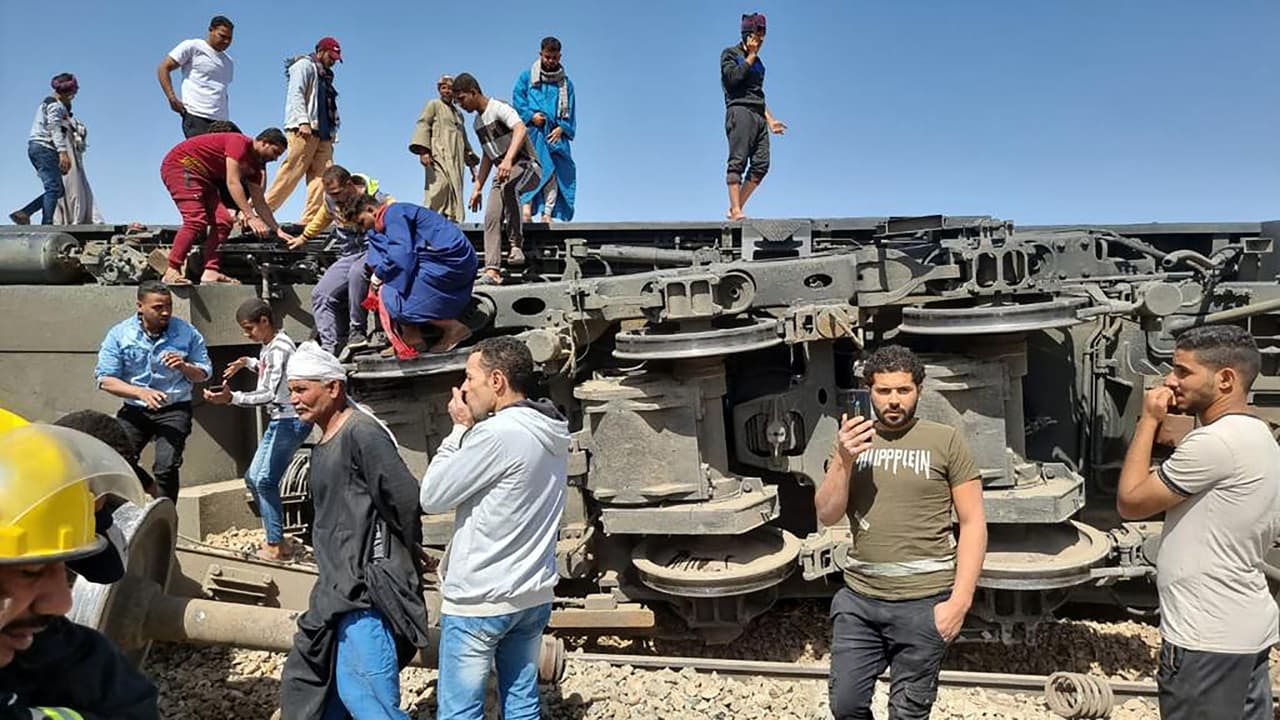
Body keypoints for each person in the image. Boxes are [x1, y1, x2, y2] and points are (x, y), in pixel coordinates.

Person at [814, 345, 987, 720]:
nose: (894, 401)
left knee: (907, 714)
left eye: (903, 391)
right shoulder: (851, 441)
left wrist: (959, 603)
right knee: (845, 706)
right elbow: (827, 514)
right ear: (869, 392)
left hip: (924, 603)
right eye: (884, 391)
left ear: (919, 391)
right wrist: (844, 460)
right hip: (860, 601)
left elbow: (973, 522)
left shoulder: (945, 440)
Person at [1117, 325, 1280, 720]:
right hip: (1240, 630)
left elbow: (1131, 501)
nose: (1170, 381)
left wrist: (1148, 421)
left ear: (1225, 379)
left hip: (1206, 639)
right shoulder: (1257, 435)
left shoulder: (1215, 443)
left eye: (1183, 371)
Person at [420, 336, 569, 720]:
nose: (465, 387)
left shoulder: (496, 434)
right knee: (521, 704)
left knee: (460, 712)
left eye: (470, 377)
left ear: (498, 381)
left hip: (479, 600)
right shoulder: (552, 430)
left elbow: (432, 496)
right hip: (532, 594)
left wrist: (457, 431)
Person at [279, 342, 428, 720]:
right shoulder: (323, 440)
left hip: (364, 596)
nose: (294, 399)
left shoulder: (360, 432)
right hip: (335, 591)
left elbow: (404, 497)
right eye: (291, 390)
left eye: (302, 389)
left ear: (333, 388)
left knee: (367, 701)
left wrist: (404, 549)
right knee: (324, 701)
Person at [0, 419, 158, 718]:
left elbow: (109, 570)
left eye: (60, 565)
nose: (63, 602)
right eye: (30, 571)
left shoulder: (76, 659)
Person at [204, 298, 312, 562]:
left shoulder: (278, 349)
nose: (246, 333)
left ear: (265, 321)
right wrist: (249, 363)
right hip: (280, 420)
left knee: (265, 480)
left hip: (289, 420)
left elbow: (267, 393)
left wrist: (232, 398)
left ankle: (275, 545)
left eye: (249, 327)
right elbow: (272, 370)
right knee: (254, 478)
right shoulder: (271, 346)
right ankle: (276, 536)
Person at [94, 281, 212, 503]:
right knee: (115, 457)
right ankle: (150, 488)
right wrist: (139, 392)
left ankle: (166, 521)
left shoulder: (186, 332)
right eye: (158, 307)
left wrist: (184, 367)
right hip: (136, 409)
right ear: (140, 306)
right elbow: (105, 379)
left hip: (174, 408)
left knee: (166, 466)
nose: (165, 312)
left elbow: (204, 373)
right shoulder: (120, 334)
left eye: (168, 306)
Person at [344, 195, 477, 354]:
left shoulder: (393, 213)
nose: (363, 229)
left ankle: (453, 328)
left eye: (361, 222)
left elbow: (402, 255)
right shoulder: (393, 217)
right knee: (395, 281)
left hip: (447, 263)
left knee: (391, 295)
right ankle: (411, 338)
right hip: (452, 262)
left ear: (371, 210)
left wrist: (379, 275)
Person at [283, 165, 391, 355]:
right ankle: (328, 349)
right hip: (348, 252)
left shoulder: (377, 197)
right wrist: (304, 237)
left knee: (357, 273)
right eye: (330, 194)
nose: (335, 198)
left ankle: (357, 330)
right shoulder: (330, 200)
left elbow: (395, 215)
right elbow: (322, 218)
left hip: (372, 248)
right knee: (321, 294)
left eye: (337, 192)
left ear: (349, 184)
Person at [159, 127, 288, 285]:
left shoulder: (255, 167)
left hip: (204, 177)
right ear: (264, 142)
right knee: (195, 220)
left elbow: (260, 202)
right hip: (183, 165)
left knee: (223, 221)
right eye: (275, 152)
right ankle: (172, 269)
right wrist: (250, 217)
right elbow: (232, 181)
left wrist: (277, 229)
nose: (275, 159)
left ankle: (210, 271)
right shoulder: (239, 143)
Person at [452, 73, 541, 286]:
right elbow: (487, 156)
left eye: (462, 98)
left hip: (527, 165)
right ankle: (493, 270)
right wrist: (477, 187)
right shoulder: (477, 123)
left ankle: (516, 245)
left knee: (510, 187)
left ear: (473, 92)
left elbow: (521, 128)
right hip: (502, 171)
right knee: (491, 214)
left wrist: (509, 159)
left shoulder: (498, 107)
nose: (460, 104)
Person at [265, 37, 343, 224]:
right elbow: (296, 93)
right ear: (320, 51)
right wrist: (302, 121)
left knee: (324, 176)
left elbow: (327, 104)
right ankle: (259, 211)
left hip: (323, 132)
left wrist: (332, 132)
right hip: (305, 128)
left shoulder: (325, 75)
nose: (333, 61)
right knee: (292, 172)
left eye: (335, 58)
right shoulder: (304, 66)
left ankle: (311, 219)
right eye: (331, 56)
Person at [720, 12, 786, 220]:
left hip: (758, 114)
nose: (761, 39)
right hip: (740, 111)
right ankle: (736, 209)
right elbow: (732, 80)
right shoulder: (730, 54)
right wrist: (749, 56)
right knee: (737, 161)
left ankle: (735, 206)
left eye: (763, 35)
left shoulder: (759, 64)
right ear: (748, 34)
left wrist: (771, 119)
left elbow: (758, 95)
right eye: (757, 35)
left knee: (761, 164)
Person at [513, 36, 577, 223]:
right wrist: (531, 117)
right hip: (533, 132)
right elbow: (518, 100)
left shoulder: (566, 84)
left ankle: (547, 213)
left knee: (554, 173)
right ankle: (526, 208)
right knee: (531, 170)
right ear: (541, 54)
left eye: (554, 58)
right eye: (547, 57)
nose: (550, 61)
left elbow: (570, 110)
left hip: (555, 136)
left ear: (560, 57)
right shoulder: (527, 77)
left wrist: (562, 128)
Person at [9, 74, 78, 226]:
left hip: (39, 148)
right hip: (43, 148)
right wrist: (63, 152)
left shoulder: (46, 104)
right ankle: (47, 224)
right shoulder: (56, 105)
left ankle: (25, 212)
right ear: (70, 93)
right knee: (53, 188)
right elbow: (54, 128)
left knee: (57, 190)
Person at [409, 74, 479, 223]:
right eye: (443, 88)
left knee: (454, 190)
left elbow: (464, 139)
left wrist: (472, 166)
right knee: (440, 186)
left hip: (456, 159)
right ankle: (430, 221)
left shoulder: (458, 114)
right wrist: (424, 151)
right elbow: (423, 125)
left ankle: (451, 221)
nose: (446, 91)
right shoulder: (433, 105)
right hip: (438, 155)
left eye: (449, 88)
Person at [157, 15, 235, 138]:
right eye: (222, 36)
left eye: (229, 38)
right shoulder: (193, 47)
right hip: (197, 115)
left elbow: (223, 90)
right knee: (200, 155)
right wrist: (172, 98)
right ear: (211, 30)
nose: (226, 41)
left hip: (221, 121)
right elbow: (163, 68)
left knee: (236, 153)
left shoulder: (228, 61)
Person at [52, 92, 103, 225]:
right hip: (61, 156)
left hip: (71, 157)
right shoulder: (55, 123)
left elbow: (81, 135)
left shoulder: (71, 123)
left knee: (74, 187)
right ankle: (66, 219)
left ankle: (76, 218)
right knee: (63, 189)